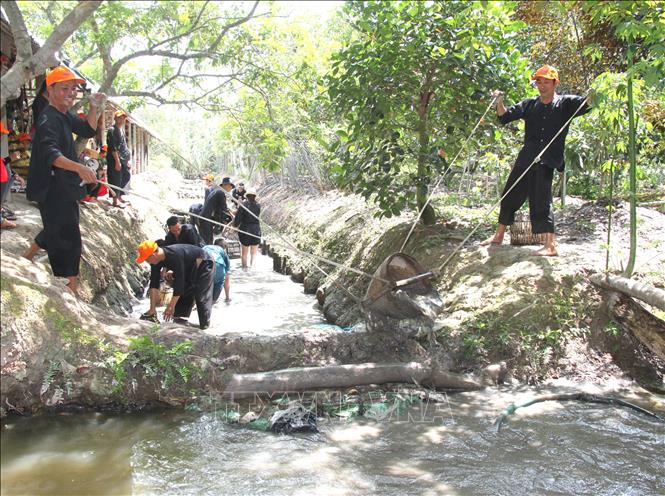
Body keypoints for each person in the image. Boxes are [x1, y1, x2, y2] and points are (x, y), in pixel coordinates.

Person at [481, 65, 592, 256]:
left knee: (541, 199)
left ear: (555, 83)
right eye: (539, 81)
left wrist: (593, 93)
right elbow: (504, 117)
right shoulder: (530, 104)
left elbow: (587, 104)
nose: (542, 85)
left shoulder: (565, 103)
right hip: (527, 157)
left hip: (547, 159)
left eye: (546, 82)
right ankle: (499, 235)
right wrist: (499, 101)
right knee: (510, 194)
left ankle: (550, 245)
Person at [23, 66, 102, 294]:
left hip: (62, 186)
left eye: (74, 89)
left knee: (57, 227)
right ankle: (69, 288)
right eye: (65, 88)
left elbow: (87, 129)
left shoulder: (64, 114)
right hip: (52, 188)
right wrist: (80, 168)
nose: (71, 93)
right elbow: (51, 155)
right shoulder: (48, 119)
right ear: (51, 89)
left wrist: (94, 107)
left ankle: (28, 256)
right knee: (68, 238)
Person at [136, 240, 215, 330]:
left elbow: (179, 282)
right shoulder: (155, 261)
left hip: (204, 262)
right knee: (185, 290)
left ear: (153, 255)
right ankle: (180, 320)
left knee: (201, 295)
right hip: (189, 266)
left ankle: (205, 326)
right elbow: (154, 284)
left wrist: (170, 306)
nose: (147, 262)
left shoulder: (174, 255)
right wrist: (152, 309)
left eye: (147, 260)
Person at [199, 176, 234, 245]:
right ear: (225, 185)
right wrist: (232, 215)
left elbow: (220, 208)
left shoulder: (217, 191)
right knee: (208, 240)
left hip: (205, 217)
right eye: (231, 186)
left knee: (206, 239)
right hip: (206, 218)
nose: (231, 188)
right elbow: (224, 208)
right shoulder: (220, 192)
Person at [106, 110, 131, 208]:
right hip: (115, 159)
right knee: (115, 178)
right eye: (119, 118)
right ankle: (115, 200)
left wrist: (127, 160)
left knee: (126, 176)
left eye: (123, 118)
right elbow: (113, 147)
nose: (121, 120)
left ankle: (120, 195)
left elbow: (124, 146)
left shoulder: (121, 130)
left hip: (123, 159)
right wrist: (117, 161)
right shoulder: (112, 130)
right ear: (115, 118)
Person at [233, 187, 261, 268]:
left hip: (245, 230)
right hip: (256, 230)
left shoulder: (243, 205)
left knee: (244, 253)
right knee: (254, 253)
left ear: (246, 196)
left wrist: (234, 225)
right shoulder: (258, 206)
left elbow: (238, 219)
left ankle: (244, 269)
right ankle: (253, 269)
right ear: (255, 196)